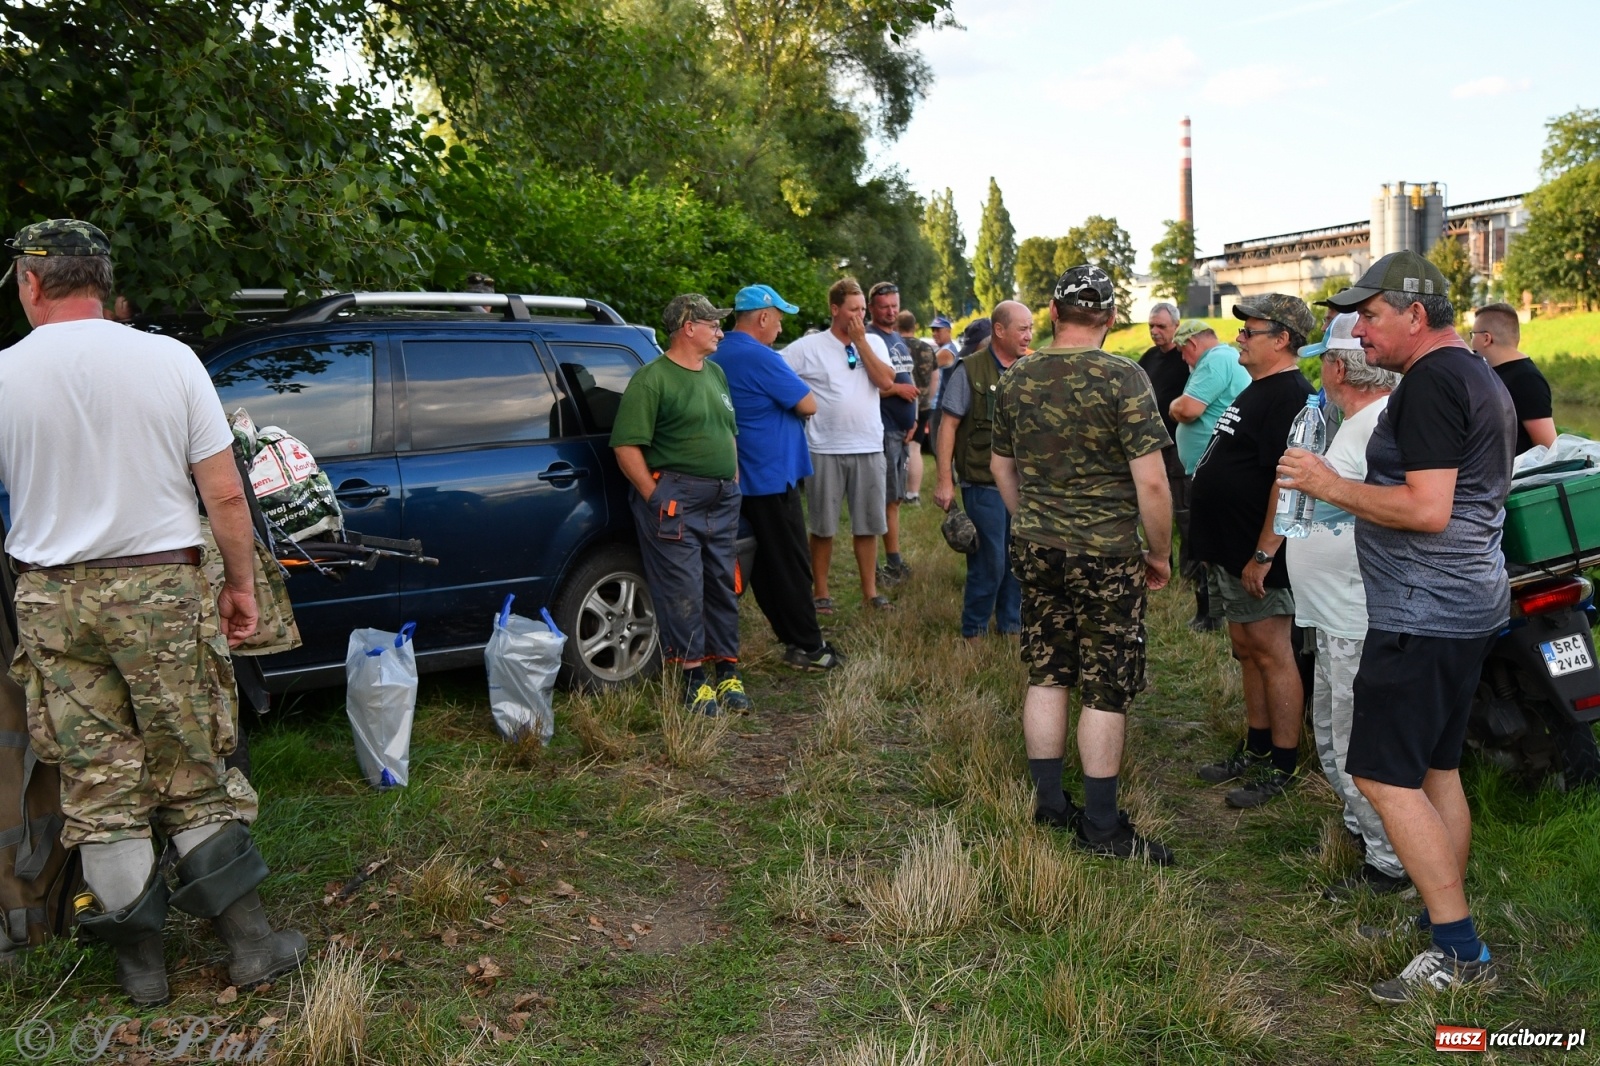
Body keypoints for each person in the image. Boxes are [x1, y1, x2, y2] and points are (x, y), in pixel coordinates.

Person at [0, 219, 305, 1005]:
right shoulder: (169, 360)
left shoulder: (3, 373)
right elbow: (226, 492)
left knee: (99, 789)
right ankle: (252, 946)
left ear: (33, 284)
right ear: (101, 280)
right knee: (191, 769)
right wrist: (240, 585)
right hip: (161, 593)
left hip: (52, 599)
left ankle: (142, 971)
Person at [1279, 250, 1514, 1002]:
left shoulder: (1437, 382)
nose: (1360, 332)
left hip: (1425, 613)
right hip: (1462, 606)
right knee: (1436, 769)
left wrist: (1329, 484)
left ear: (1416, 315)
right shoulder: (1473, 373)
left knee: (1381, 772)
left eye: (1372, 316)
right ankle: (1439, 915)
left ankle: (1460, 952)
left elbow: (1427, 510)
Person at [991, 266, 1174, 864]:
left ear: (1051, 311)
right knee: (1105, 681)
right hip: (1106, 551)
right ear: (1111, 317)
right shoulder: (1125, 377)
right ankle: (1101, 826)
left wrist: (1030, 520)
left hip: (1038, 544)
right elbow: (1152, 482)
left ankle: (1049, 804)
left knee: (1047, 669)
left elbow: (1000, 466)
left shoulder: (1016, 374)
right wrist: (1161, 552)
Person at [1281, 313, 1407, 898]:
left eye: (1322, 363)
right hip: (1335, 615)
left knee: (1357, 747)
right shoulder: (1355, 423)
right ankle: (1363, 837)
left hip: (1357, 619)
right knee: (1334, 739)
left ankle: (1390, 866)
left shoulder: (1375, 426)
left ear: (1338, 367)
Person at [1188, 294, 1313, 808]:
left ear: (1282, 339)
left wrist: (1264, 554)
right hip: (1229, 548)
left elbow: (1288, 483)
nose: (1239, 338)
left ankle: (1283, 764)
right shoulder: (1257, 389)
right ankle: (1257, 747)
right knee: (1246, 648)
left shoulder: (1290, 395)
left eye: (1250, 331)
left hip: (1257, 556)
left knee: (1272, 651)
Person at [611, 294, 748, 715]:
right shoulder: (653, 379)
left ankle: (727, 672)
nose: (721, 332)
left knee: (722, 584)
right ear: (688, 327)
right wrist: (656, 497)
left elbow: (729, 433)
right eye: (713, 324)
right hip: (676, 499)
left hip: (722, 498)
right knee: (684, 588)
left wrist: (734, 479)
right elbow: (625, 446)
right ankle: (692, 678)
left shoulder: (717, 374)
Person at [711, 285, 844, 671]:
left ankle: (792, 637)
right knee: (790, 565)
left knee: (764, 568)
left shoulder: (718, 351)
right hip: (771, 477)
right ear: (763, 317)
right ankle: (808, 646)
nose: (781, 329)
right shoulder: (760, 356)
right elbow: (808, 403)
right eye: (779, 320)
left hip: (739, 477)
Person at [782, 278, 915, 613]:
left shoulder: (872, 342)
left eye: (862, 309)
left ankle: (870, 592)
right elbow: (775, 371)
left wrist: (860, 342)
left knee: (868, 524)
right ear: (834, 309)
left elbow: (886, 381)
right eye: (853, 309)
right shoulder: (808, 348)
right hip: (824, 448)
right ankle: (821, 593)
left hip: (869, 445)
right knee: (823, 527)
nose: (860, 315)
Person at [933, 300, 1029, 641]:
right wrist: (945, 480)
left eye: (1031, 328)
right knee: (990, 563)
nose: (1029, 335)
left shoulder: (1030, 368)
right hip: (983, 483)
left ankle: (1011, 626)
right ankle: (973, 631)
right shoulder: (969, 369)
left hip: (1023, 486)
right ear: (999, 330)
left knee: (1018, 561)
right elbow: (948, 426)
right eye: (1022, 328)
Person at [1168, 319, 1250, 630]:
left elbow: (1188, 409)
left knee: (1205, 539)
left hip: (1210, 467)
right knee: (1204, 538)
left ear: (1191, 345)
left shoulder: (1214, 360)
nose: (1182, 359)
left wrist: (1174, 405)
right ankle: (1211, 610)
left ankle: (1211, 614)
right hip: (1209, 466)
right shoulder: (1224, 358)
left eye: (1181, 351)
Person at [1139, 302, 1203, 626]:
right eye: (1151, 325)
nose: (1155, 331)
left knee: (1184, 512)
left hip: (1178, 445)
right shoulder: (1147, 359)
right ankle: (1153, 564)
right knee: (1149, 505)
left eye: (1161, 326)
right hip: (1150, 447)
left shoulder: (1185, 360)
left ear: (1176, 326)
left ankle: (1189, 573)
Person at [866, 281, 918, 587]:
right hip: (882, 430)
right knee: (882, 498)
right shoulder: (869, 338)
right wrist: (897, 389)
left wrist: (913, 419)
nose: (891, 312)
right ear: (872, 308)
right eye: (884, 307)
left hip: (900, 429)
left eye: (895, 306)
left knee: (895, 499)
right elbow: (865, 386)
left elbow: (905, 375)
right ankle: (876, 567)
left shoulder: (895, 336)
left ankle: (894, 559)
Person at [1469, 302, 1556, 455]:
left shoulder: (1527, 380)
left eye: (1472, 335)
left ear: (1486, 338)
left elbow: (1548, 449)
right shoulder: (1492, 373)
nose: (1471, 342)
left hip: (1516, 478)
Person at [899, 309, 938, 507]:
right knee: (915, 448)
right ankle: (913, 494)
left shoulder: (894, 346)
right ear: (914, 327)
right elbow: (935, 377)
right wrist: (926, 399)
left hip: (897, 404)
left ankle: (893, 491)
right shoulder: (927, 348)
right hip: (922, 405)